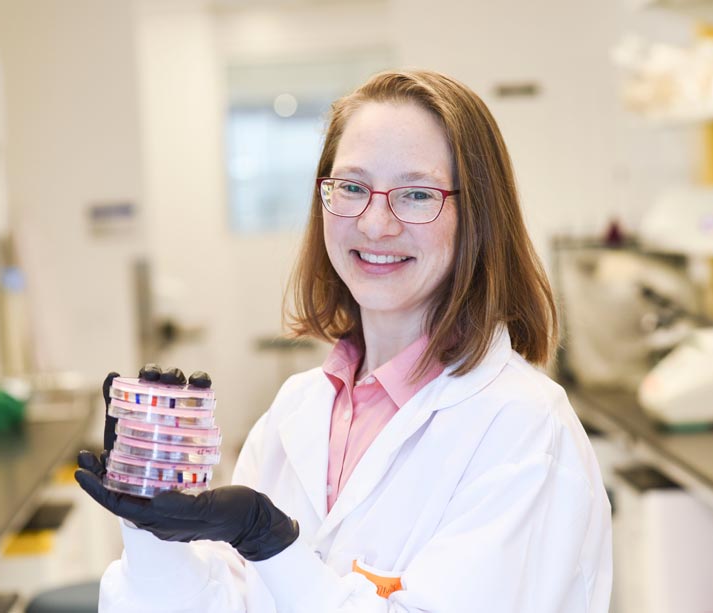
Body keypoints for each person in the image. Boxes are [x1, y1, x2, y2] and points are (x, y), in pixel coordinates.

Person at [76, 69, 612, 612]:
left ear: (478, 215)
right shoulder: (298, 410)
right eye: (352, 187)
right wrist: (149, 519)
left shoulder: (523, 428)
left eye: (417, 195)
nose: (376, 224)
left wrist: (271, 543)